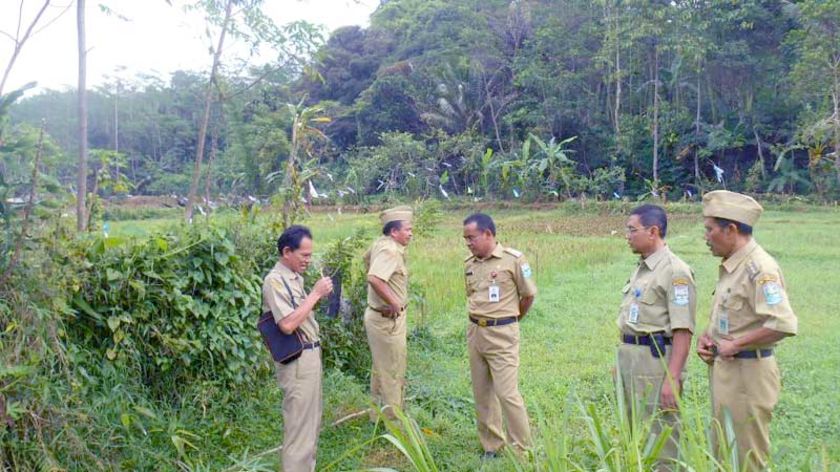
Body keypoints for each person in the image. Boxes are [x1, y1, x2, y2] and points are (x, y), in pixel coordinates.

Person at [696, 191, 798, 470]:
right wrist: (708, 337)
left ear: (731, 230)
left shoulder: (759, 268)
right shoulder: (732, 267)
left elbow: (783, 323)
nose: (705, 236)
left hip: (748, 376)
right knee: (724, 452)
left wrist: (737, 344)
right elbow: (734, 314)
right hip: (727, 371)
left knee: (746, 457)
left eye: (710, 229)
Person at [616, 204, 696, 468]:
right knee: (632, 429)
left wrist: (671, 380)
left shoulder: (675, 271)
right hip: (631, 358)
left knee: (661, 432)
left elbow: (683, 331)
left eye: (632, 229)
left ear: (653, 231)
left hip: (656, 362)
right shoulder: (642, 267)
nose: (626, 235)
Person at [462, 213, 536, 457]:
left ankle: (522, 450)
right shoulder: (469, 264)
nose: (468, 243)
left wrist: (509, 320)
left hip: (502, 333)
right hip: (476, 332)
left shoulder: (513, 260)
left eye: (472, 237)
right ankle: (491, 445)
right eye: (465, 239)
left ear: (488, 234)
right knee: (482, 392)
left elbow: (528, 296)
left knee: (507, 393)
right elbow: (471, 296)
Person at [262, 225, 334, 472]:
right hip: (297, 362)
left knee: (311, 426)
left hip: (310, 357)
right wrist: (315, 295)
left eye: (310, 254)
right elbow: (288, 324)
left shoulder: (294, 278)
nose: (308, 260)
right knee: (299, 432)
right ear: (286, 252)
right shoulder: (275, 281)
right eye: (304, 255)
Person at [364, 205, 413, 419]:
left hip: (378, 317)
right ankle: (395, 425)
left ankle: (378, 416)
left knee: (381, 370)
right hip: (387, 320)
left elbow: (367, 262)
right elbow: (374, 277)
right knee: (393, 372)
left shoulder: (380, 244)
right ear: (394, 232)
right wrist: (393, 301)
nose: (411, 233)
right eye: (407, 229)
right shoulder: (390, 250)